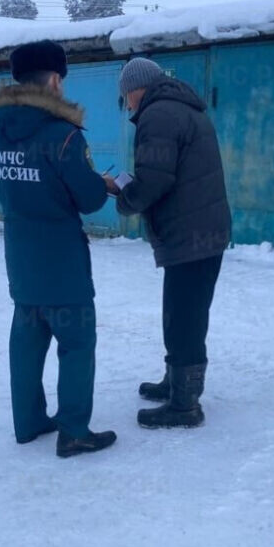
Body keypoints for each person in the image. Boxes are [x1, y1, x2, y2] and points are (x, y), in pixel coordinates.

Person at [0, 40, 116, 458]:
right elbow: (89, 199)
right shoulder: (63, 137)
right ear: (55, 80)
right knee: (77, 346)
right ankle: (74, 430)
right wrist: (104, 184)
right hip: (62, 263)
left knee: (27, 340)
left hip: (21, 261)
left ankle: (28, 422)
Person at [106, 58, 232, 429]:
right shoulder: (180, 107)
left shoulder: (158, 115)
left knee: (184, 318)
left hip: (191, 234)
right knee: (182, 313)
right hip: (199, 231)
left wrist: (122, 194)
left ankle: (185, 405)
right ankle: (176, 383)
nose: (127, 104)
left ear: (135, 89)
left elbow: (155, 180)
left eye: (125, 97)